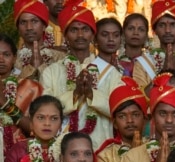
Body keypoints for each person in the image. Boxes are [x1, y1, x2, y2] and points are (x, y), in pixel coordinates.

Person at [41, 2, 123, 150]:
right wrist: (75, 94)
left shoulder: (111, 73)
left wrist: (92, 95)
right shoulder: (51, 72)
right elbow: (44, 112)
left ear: (92, 34)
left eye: (85, 29)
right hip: (61, 149)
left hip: (102, 149)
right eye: (74, 30)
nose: (80, 35)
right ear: (65, 34)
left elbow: (119, 111)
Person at [95, 76, 148, 162]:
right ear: (114, 123)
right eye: (122, 116)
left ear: (145, 119)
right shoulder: (106, 156)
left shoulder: (155, 148)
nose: (129, 120)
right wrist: (133, 157)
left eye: (135, 115)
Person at [13, 0, 65, 80]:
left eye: (34, 21)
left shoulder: (60, 57)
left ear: (44, 26)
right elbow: (10, 89)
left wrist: (41, 67)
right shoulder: (11, 59)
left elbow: (61, 88)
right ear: (18, 28)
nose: (29, 27)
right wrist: (31, 68)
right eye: (23, 22)